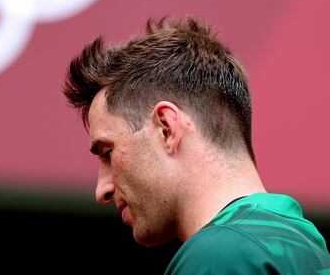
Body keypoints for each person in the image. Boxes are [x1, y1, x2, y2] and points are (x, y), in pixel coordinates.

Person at [62, 17, 330, 273]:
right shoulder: (306, 247)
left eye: (108, 153)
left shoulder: (219, 256)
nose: (102, 190)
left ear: (167, 128)